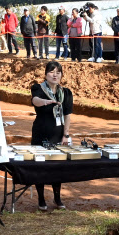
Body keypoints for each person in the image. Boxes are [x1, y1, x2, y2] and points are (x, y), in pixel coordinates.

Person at [30, 61, 74, 210]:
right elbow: (34, 100)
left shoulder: (66, 93)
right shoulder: (38, 88)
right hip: (41, 133)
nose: (55, 75)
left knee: (57, 166)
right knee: (40, 165)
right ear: (45, 74)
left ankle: (57, 198)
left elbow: (67, 115)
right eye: (51, 71)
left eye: (58, 72)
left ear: (61, 75)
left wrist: (66, 135)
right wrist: (45, 102)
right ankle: (41, 199)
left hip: (58, 134)